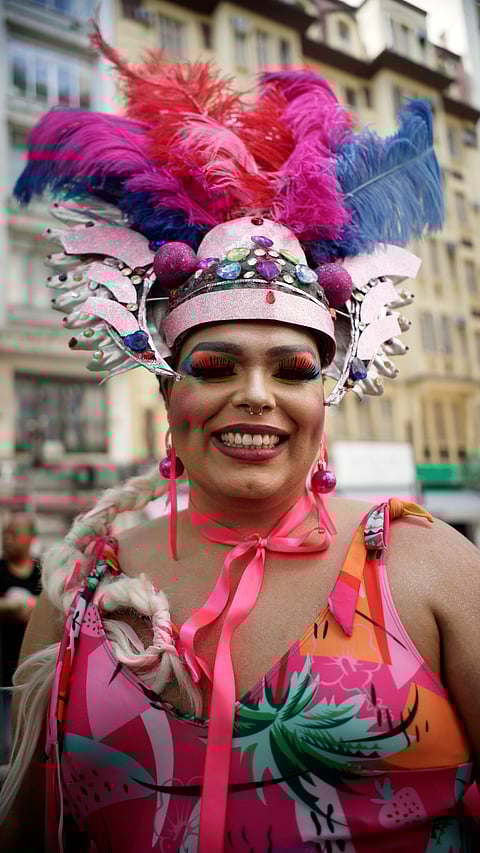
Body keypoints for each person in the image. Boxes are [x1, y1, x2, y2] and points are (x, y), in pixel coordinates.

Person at [1, 30, 479, 853]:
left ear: (324, 390)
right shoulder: (81, 582)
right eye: (216, 364)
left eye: (292, 369)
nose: (254, 395)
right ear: (167, 385)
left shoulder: (428, 564)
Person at [0, 512, 40, 764]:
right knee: (4, 746)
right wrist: (12, 608)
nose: (8, 539)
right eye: (7, 533)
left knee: (27, 741)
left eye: (16, 533)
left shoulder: (41, 573)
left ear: (30, 538)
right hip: (3, 671)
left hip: (31, 674)